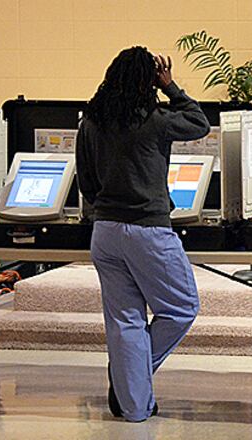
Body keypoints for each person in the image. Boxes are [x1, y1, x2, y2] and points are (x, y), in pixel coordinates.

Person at [76, 46, 209, 422]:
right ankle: (128, 376)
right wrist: (171, 87)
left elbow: (86, 181)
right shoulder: (155, 119)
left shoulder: (90, 122)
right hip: (148, 230)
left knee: (124, 321)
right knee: (182, 307)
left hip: (104, 232)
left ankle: (134, 402)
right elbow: (198, 123)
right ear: (149, 81)